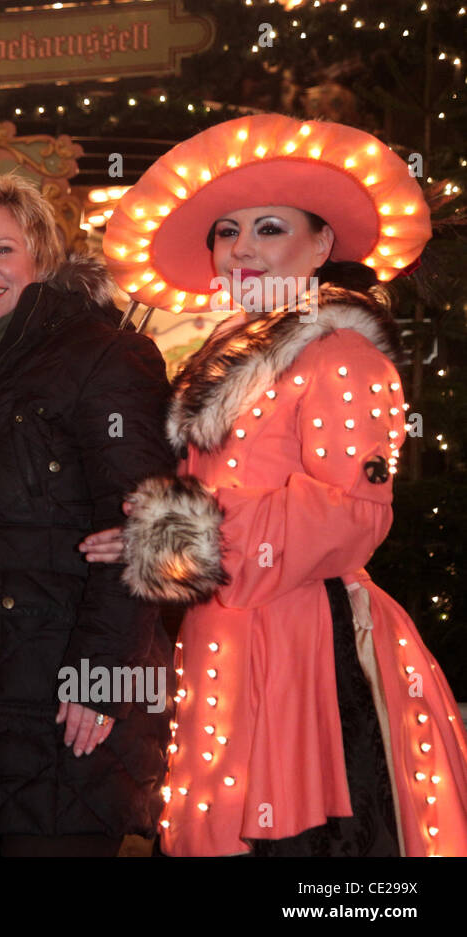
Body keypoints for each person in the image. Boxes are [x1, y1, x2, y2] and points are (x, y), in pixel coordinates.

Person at [83, 113, 467, 856]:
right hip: (222, 637)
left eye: (268, 228)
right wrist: (154, 534)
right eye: (227, 232)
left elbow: (350, 511)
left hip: (306, 648)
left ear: (321, 245)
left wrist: (180, 538)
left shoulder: (342, 354)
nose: (242, 249)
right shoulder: (221, 361)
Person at [0, 172, 173, 857]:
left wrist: (101, 675)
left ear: (43, 258)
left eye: (2, 249)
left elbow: (146, 532)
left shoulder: (105, 356)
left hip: (69, 706)